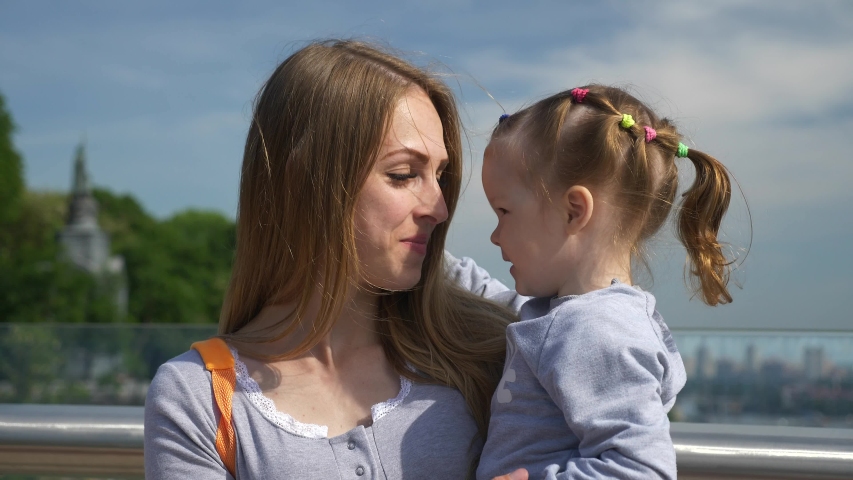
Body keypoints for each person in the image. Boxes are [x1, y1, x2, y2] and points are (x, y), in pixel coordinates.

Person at [143, 39, 529, 479]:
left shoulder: (489, 342)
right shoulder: (199, 400)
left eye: (440, 176)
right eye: (403, 175)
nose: (439, 209)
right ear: (304, 180)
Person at [476, 85, 738, 479]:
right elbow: (494, 297)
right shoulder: (574, 313)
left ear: (573, 211)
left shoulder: (592, 330)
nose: (495, 236)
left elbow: (639, 470)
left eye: (504, 211)